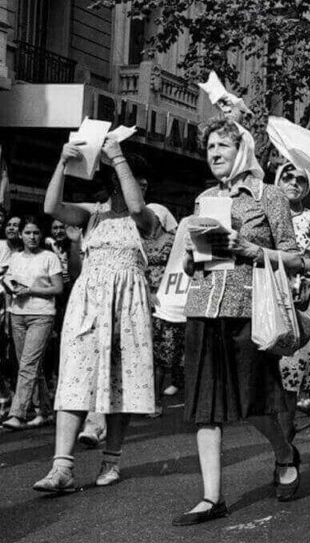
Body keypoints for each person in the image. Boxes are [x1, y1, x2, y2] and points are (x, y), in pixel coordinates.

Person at [173, 119, 304, 525]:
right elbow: (193, 261)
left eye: (223, 147)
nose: (214, 153)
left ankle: (285, 454)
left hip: (248, 310)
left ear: (242, 151)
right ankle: (212, 497)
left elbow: (295, 257)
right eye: (210, 146)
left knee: (253, 402)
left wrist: (250, 248)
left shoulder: (268, 196)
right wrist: (194, 257)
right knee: (204, 408)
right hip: (203, 308)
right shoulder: (203, 199)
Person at [35, 137, 158, 493]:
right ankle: (62, 468)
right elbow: (51, 206)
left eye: (144, 183)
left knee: (123, 382)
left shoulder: (147, 217)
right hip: (87, 305)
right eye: (136, 180)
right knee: (74, 378)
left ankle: (112, 459)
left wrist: (118, 156)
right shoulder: (91, 214)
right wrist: (61, 162)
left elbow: (136, 208)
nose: (141, 188)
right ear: (113, 183)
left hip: (127, 308)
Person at [273, 163, 310, 435]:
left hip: (302, 300)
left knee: (291, 374)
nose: (293, 183)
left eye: (300, 180)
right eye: (287, 177)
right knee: (274, 378)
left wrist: (298, 263)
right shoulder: (265, 214)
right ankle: (283, 438)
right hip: (269, 298)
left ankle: (286, 439)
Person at [0, 216, 63, 430]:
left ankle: (17, 414)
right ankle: (44, 411)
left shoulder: (49, 257)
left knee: (27, 365)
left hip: (41, 315)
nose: (32, 237)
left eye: (36, 233)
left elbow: (57, 288)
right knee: (30, 366)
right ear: (21, 235)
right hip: (18, 314)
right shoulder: (15, 257)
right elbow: (8, 280)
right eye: (28, 233)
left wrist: (31, 290)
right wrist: (10, 290)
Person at [142, 197, 183, 419]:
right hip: (143, 297)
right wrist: (146, 292)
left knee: (166, 352)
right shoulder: (138, 240)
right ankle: (149, 399)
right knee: (147, 351)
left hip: (169, 299)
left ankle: (164, 391)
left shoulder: (172, 240)